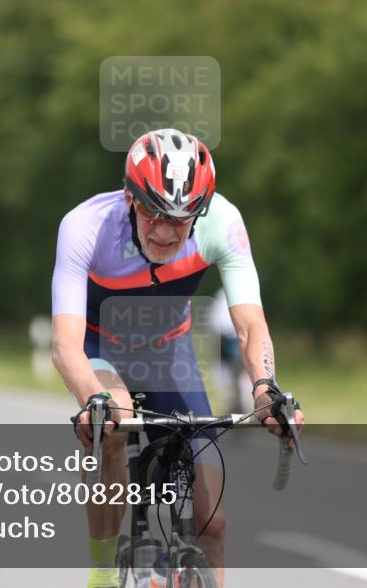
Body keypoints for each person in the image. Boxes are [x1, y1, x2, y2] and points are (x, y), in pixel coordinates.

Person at [51, 128, 304, 588]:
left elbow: (250, 325)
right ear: (130, 197)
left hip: (169, 349)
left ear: (201, 211)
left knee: (212, 523)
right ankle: (103, 575)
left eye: (182, 218)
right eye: (153, 213)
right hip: (100, 347)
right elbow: (65, 344)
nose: (166, 231)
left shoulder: (222, 221)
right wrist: (93, 398)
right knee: (116, 422)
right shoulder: (85, 226)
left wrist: (265, 388)